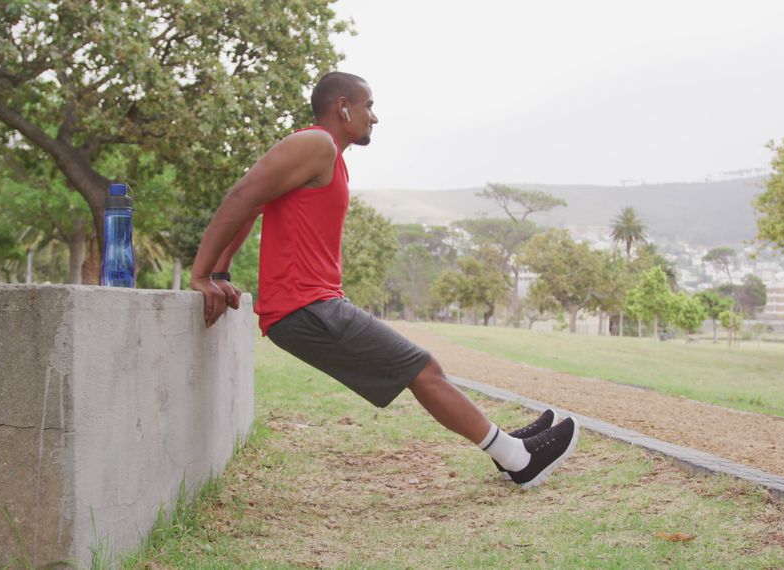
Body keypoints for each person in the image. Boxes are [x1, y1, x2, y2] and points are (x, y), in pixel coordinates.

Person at [188, 71, 579, 489]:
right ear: (343, 107)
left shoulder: (329, 157)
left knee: (424, 368)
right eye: (368, 105)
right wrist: (200, 274)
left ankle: (508, 446)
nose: (374, 117)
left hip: (309, 305)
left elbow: (253, 208)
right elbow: (241, 195)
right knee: (423, 368)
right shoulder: (315, 144)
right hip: (305, 307)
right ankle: (518, 460)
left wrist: (221, 273)